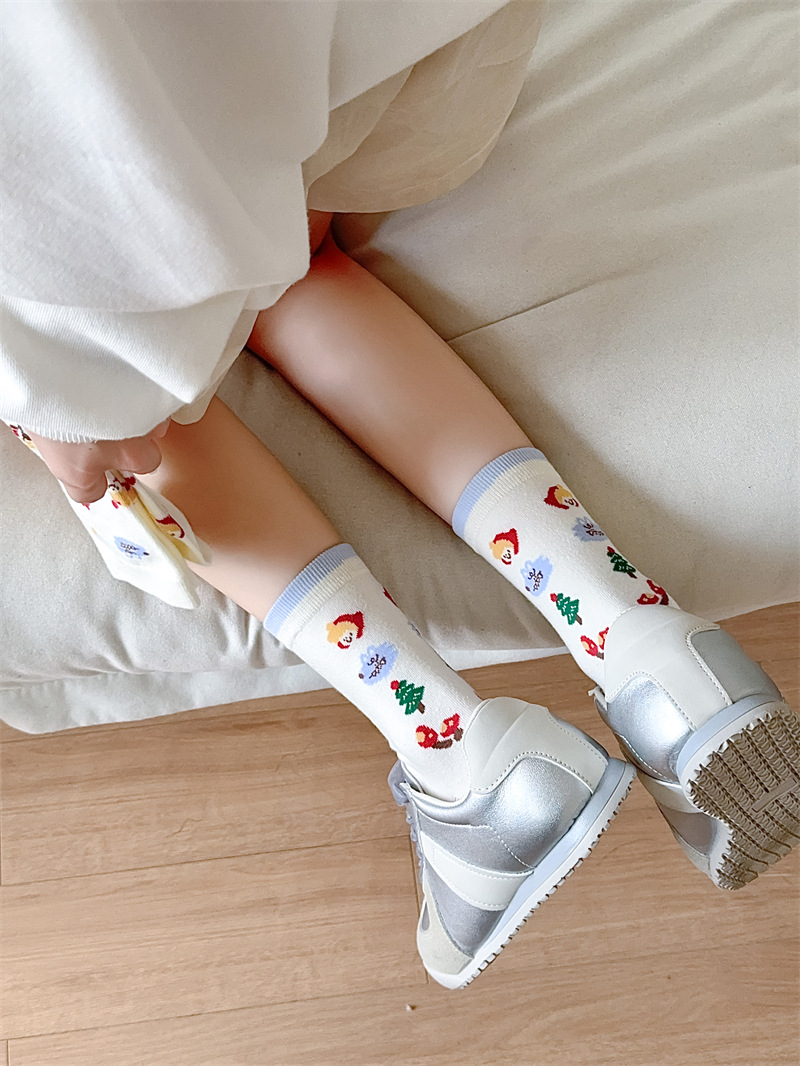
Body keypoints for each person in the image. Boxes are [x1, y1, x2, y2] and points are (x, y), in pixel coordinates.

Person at [3, 2, 798, 990]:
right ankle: (640, 641)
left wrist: (54, 395)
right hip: (400, 55)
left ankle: (453, 746)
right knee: (293, 266)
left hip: (119, 119)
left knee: (119, 377)